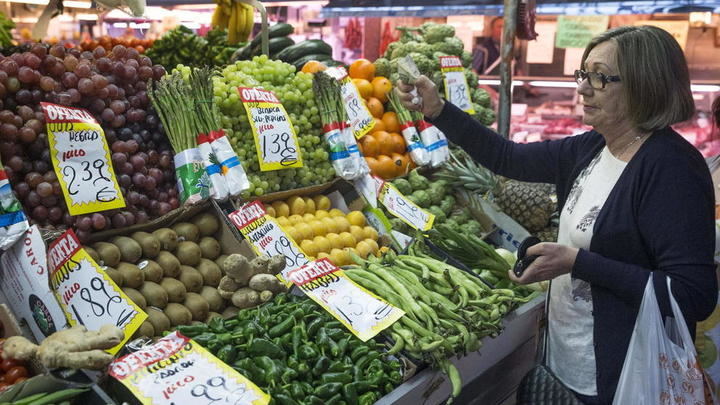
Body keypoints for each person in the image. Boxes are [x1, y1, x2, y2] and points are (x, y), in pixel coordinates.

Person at [397, 25, 718, 404]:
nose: (582, 88)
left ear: (643, 84)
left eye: (599, 77)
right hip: (568, 357)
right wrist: (437, 110)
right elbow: (507, 158)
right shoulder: (595, 146)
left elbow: (692, 295)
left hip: (624, 374)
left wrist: (578, 262)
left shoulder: (672, 169)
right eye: (583, 74)